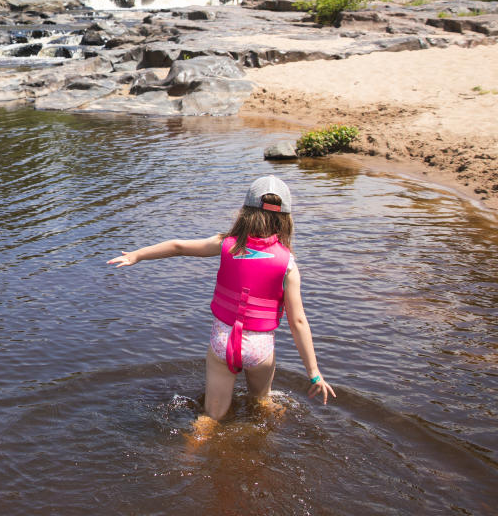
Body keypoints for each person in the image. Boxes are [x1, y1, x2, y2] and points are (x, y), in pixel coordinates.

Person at [107, 175, 335, 432]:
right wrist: (314, 373)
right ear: (286, 220)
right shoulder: (288, 265)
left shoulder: (227, 244)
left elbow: (179, 246)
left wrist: (137, 255)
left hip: (223, 341)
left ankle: (189, 459)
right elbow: (298, 321)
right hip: (259, 349)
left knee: (211, 417)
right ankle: (265, 447)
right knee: (262, 401)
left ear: (245, 213)